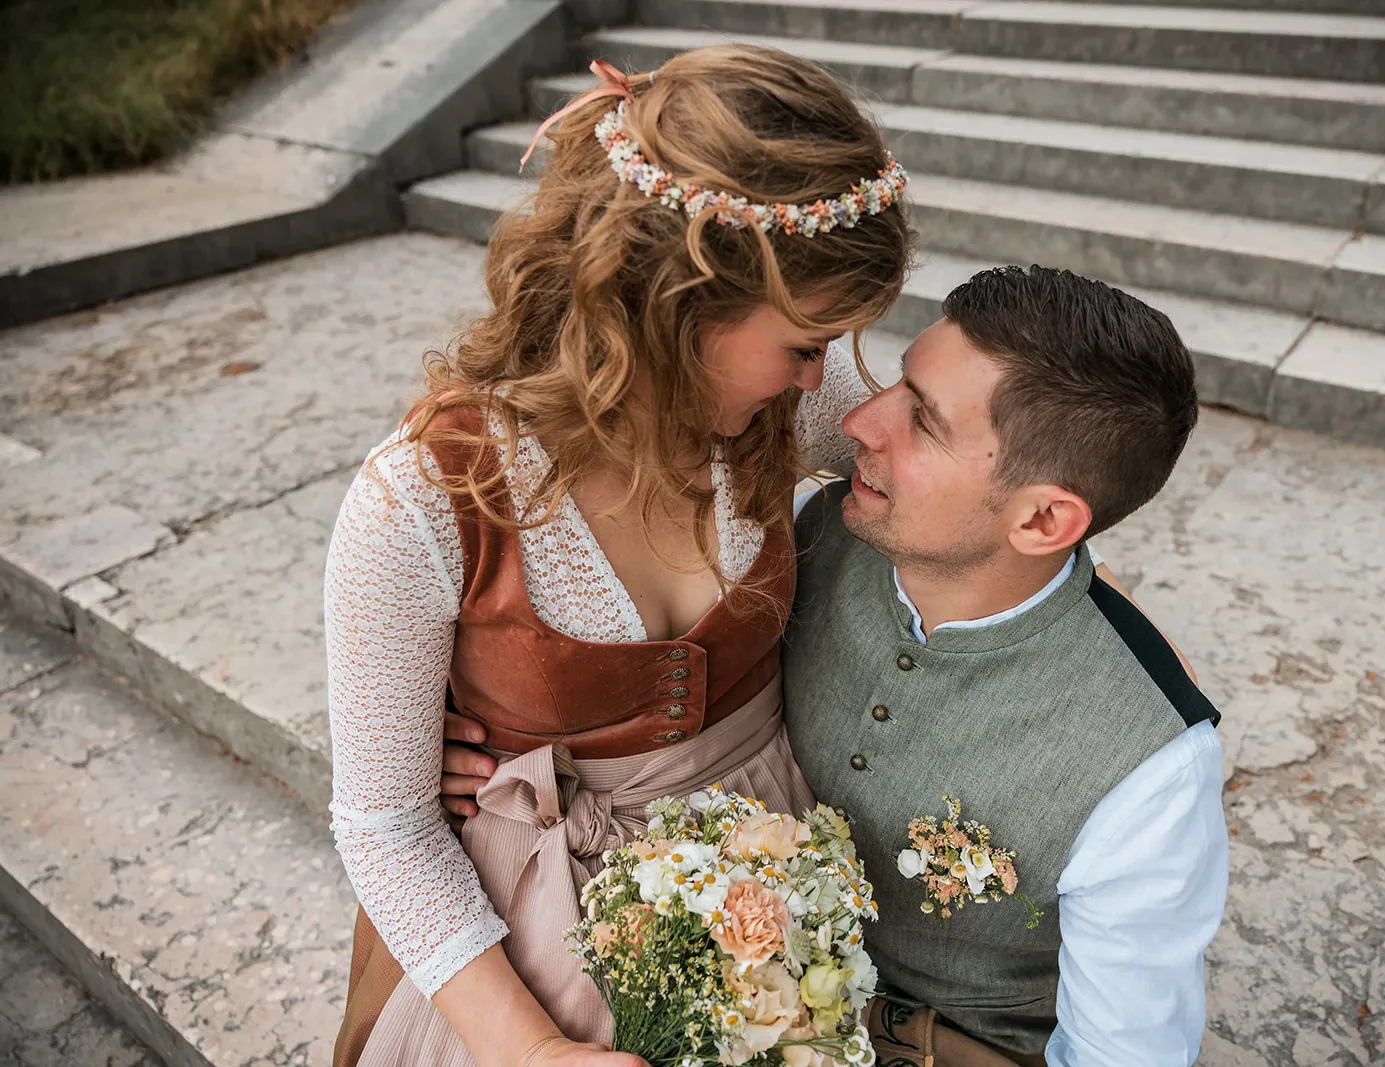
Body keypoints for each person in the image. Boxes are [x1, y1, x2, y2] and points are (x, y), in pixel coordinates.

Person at [442, 266, 1228, 1066]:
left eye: (922, 421)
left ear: (1045, 518)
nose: (857, 419)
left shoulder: (1149, 771)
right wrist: (483, 714)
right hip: (742, 996)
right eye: (897, 382)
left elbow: (1121, 1055)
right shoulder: (813, 535)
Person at [323, 44, 913, 1067]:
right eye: (803, 341)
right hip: (526, 944)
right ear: (675, 307)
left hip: (784, 905)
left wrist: (1076, 618)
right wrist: (534, 1050)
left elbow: (958, 496)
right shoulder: (419, 496)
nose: (827, 377)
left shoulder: (792, 402)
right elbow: (384, 826)